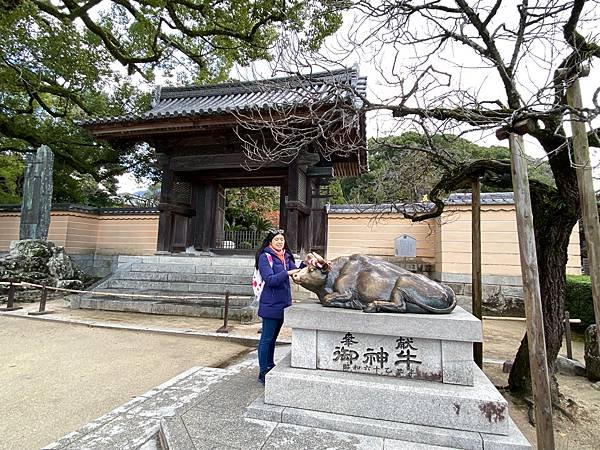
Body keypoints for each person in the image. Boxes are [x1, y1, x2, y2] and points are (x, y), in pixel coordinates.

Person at [255, 229, 309, 384]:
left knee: (273, 338)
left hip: (284, 303)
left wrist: (309, 263)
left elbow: (296, 268)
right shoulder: (265, 257)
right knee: (266, 338)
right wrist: (287, 273)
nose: (280, 242)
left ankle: (270, 365)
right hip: (270, 303)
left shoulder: (286, 256)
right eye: (277, 239)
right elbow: (270, 279)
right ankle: (263, 371)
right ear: (270, 241)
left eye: (282, 240)